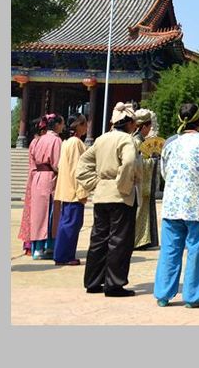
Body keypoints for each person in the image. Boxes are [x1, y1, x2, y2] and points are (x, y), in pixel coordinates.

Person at [154, 103, 199, 308]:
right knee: (197, 250)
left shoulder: (170, 144)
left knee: (170, 249)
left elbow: (164, 172)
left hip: (173, 204)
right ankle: (193, 297)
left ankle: (163, 294)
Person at [76, 102, 142, 297]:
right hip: (120, 196)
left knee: (99, 238)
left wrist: (94, 183)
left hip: (102, 194)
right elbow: (129, 162)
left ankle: (93, 281)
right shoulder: (127, 140)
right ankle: (114, 284)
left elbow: (83, 164)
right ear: (129, 123)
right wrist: (124, 184)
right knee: (119, 241)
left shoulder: (101, 139)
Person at [52, 114, 89, 266]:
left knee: (67, 222)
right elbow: (76, 169)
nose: (86, 127)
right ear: (78, 125)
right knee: (71, 224)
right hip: (73, 191)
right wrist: (81, 191)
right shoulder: (75, 143)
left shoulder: (67, 142)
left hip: (66, 189)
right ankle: (64, 255)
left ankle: (63, 254)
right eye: (84, 124)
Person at [29, 114, 64, 260]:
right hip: (50, 177)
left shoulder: (38, 139)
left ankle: (37, 248)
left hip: (38, 177)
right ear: (56, 125)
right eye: (61, 123)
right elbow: (57, 163)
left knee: (38, 214)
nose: (63, 126)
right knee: (51, 213)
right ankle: (49, 246)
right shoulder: (56, 140)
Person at [18, 117, 47, 255]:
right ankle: (33, 243)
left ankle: (29, 243)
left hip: (33, 177)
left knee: (31, 210)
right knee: (37, 212)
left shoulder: (34, 142)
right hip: (39, 177)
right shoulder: (38, 142)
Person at [133, 108, 159, 250]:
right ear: (144, 126)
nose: (150, 130)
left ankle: (143, 239)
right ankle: (138, 240)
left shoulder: (139, 140)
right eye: (149, 127)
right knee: (139, 212)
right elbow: (139, 163)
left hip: (142, 183)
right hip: (140, 182)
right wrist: (153, 161)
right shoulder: (137, 141)